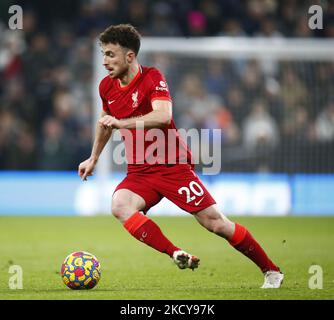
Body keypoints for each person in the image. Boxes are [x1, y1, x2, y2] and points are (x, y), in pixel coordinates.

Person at [78, 24, 284, 289]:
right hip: (140, 172)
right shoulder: (106, 87)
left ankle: (271, 270)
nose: (105, 61)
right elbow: (105, 123)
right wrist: (94, 157)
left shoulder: (152, 78)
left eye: (111, 55)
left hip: (172, 168)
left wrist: (123, 122)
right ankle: (175, 253)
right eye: (104, 54)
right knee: (119, 205)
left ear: (129, 56)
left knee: (216, 224)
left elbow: (163, 116)